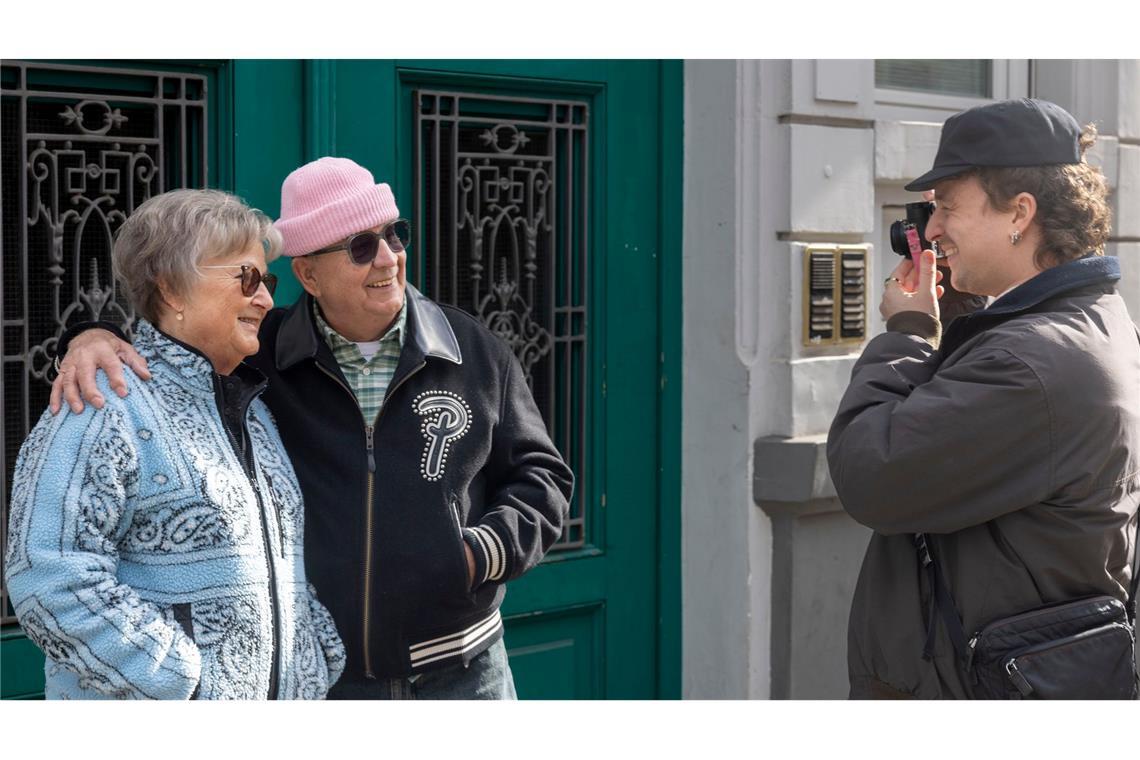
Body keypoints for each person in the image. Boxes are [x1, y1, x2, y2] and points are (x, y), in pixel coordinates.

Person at [50, 158, 574, 700]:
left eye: (395, 235)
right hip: (330, 682)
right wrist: (92, 333)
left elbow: (543, 477)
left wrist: (476, 554)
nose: (389, 258)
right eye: (360, 246)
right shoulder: (259, 353)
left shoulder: (472, 348)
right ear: (308, 275)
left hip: (464, 670)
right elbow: (175, 332)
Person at [827, 98, 1140, 699]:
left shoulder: (1032, 363)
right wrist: (964, 315)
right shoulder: (1092, 322)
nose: (932, 227)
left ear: (1020, 212)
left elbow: (871, 472)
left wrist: (909, 334)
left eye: (947, 206)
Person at [5, 189, 345, 699]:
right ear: (171, 290)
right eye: (246, 278)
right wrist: (183, 684)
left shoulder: (256, 413)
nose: (267, 299)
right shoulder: (102, 405)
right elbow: (47, 578)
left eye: (268, 280)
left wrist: (318, 659)